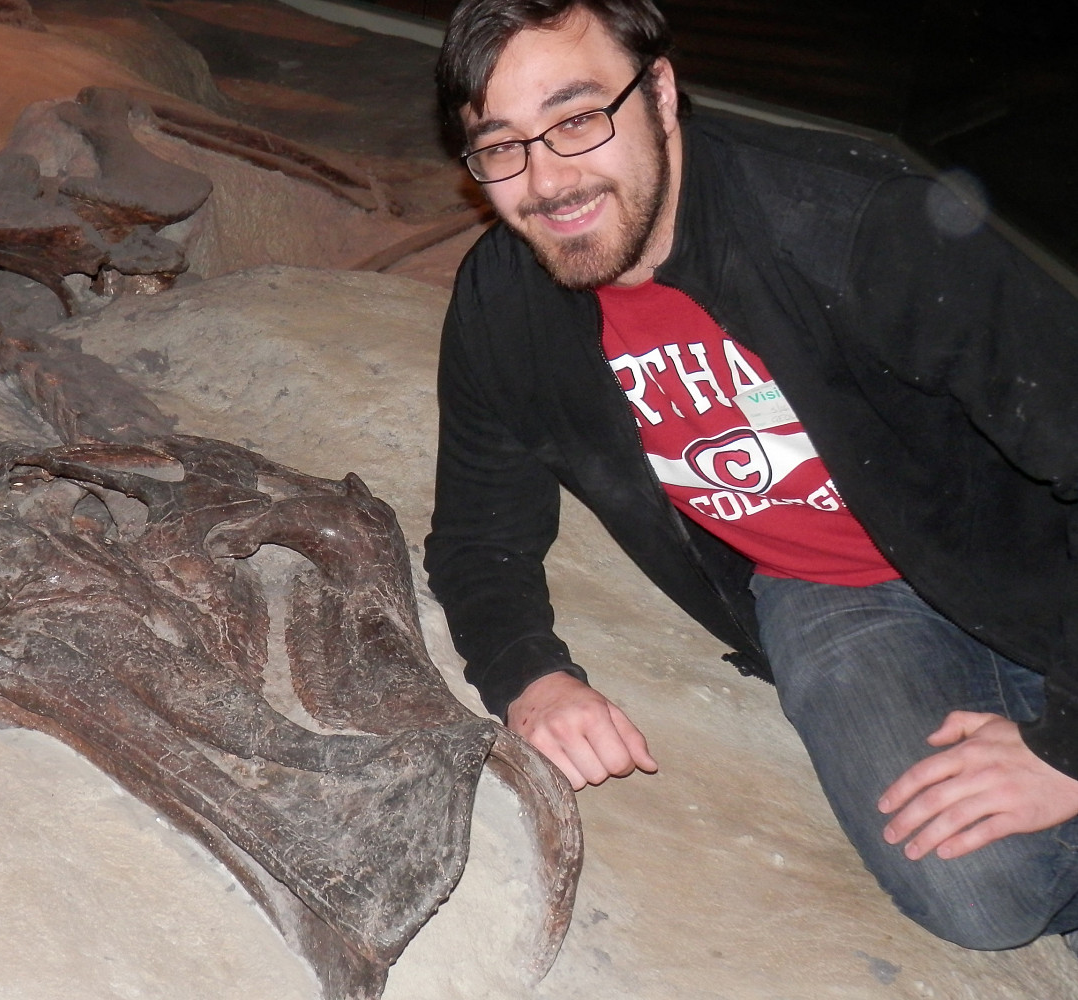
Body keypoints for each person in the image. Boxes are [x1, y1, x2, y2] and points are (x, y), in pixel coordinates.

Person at [425, 0, 1078, 950]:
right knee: (978, 893)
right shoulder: (504, 305)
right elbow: (479, 539)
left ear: (658, 90)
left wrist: (1064, 750)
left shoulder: (858, 226)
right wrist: (530, 678)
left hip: (1027, 556)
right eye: (503, 146)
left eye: (576, 120)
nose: (549, 180)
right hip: (832, 593)